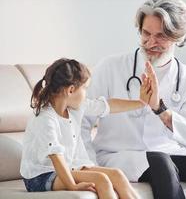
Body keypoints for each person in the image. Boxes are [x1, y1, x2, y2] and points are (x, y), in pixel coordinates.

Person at [81, 0, 186, 198]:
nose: (150, 43)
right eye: (146, 34)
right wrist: (88, 166)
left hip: (170, 155)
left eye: (161, 36)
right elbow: (81, 121)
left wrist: (160, 110)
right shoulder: (110, 67)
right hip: (119, 156)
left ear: (178, 38)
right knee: (160, 161)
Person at [20, 58, 153, 199]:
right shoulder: (45, 119)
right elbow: (56, 158)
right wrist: (72, 185)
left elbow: (108, 105)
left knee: (117, 175)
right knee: (101, 180)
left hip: (71, 166)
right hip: (41, 176)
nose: (86, 93)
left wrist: (141, 103)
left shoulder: (75, 108)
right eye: (85, 88)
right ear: (71, 90)